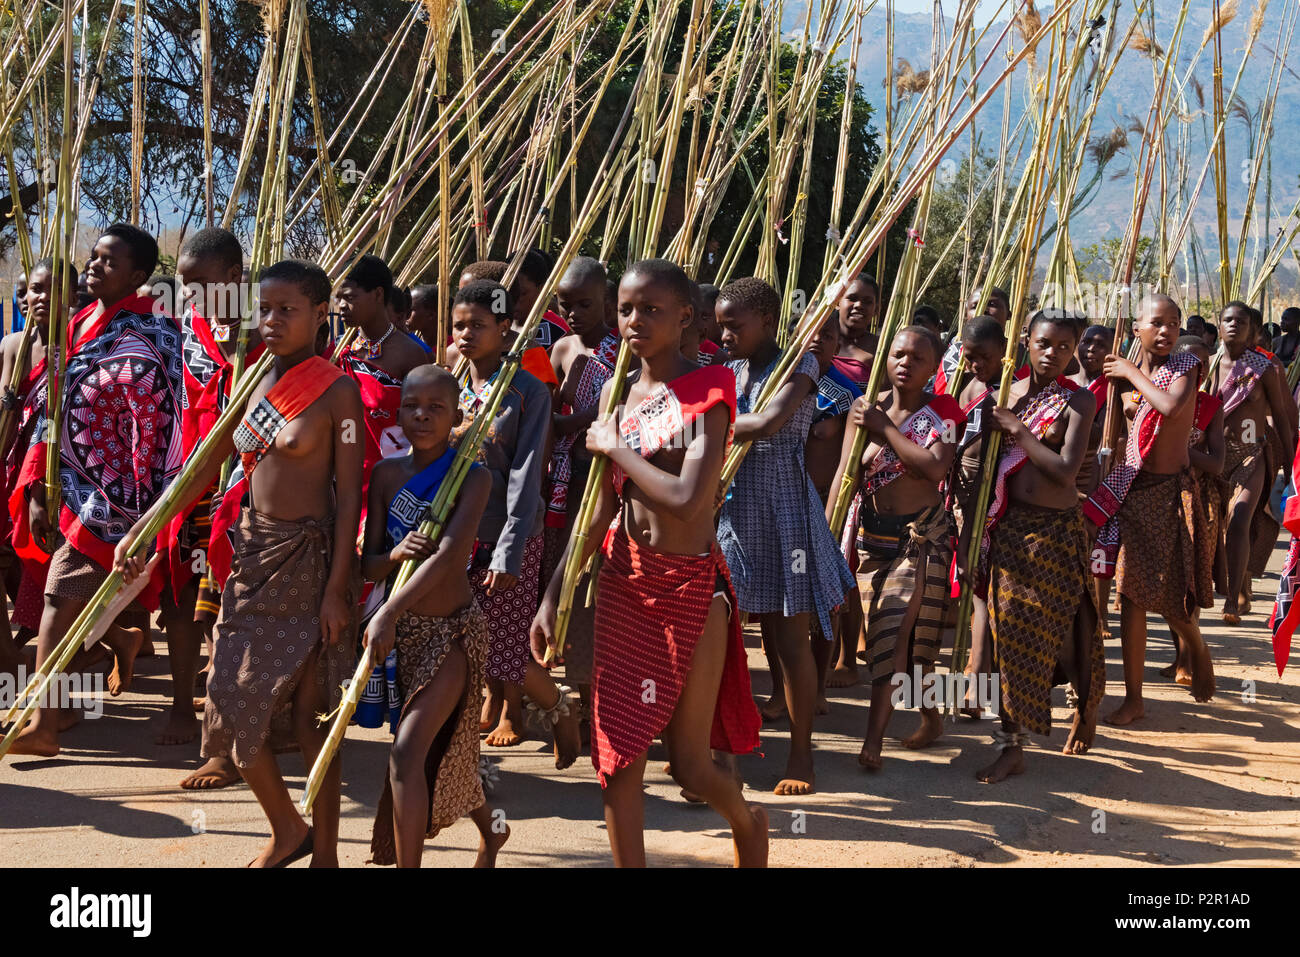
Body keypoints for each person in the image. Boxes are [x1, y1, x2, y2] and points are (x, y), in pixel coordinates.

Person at [119, 258, 362, 867]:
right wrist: (148, 526)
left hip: (310, 566)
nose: (273, 321)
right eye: (266, 309)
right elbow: (206, 461)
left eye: (289, 310)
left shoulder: (338, 392)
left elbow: (352, 500)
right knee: (229, 700)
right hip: (250, 558)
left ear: (319, 314)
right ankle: (288, 828)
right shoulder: (250, 379)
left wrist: (339, 591)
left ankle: (325, 853)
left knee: (312, 720)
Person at [532, 258, 766, 867]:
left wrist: (615, 447)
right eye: (627, 310)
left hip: (690, 587)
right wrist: (556, 591)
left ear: (685, 316)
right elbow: (598, 508)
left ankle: (748, 818)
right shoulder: (619, 393)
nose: (636, 321)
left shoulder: (708, 392)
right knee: (616, 755)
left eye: (653, 310)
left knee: (689, 764)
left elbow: (691, 500)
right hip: (623, 580)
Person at [9, 224, 184, 758]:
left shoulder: (158, 334)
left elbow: (166, 427)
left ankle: (43, 721)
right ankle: (55, 710)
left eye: (109, 261)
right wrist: (38, 485)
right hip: (72, 492)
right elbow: (50, 411)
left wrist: (148, 513)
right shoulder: (79, 325)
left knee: (59, 603)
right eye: (94, 257)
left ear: (137, 275)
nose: (93, 266)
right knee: (68, 605)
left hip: (123, 499)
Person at [360, 365, 508, 867]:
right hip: (401, 634)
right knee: (443, 748)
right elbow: (371, 563)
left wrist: (388, 613)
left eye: (436, 408)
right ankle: (493, 828)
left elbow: (450, 555)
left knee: (407, 753)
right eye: (411, 406)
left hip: (452, 634)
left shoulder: (474, 477)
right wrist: (396, 555)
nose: (421, 416)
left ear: (456, 416)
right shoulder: (384, 474)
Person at [715, 277, 855, 796]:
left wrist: (704, 420)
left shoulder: (800, 366)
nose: (725, 334)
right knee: (725, 636)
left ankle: (802, 754)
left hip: (784, 512)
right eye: (721, 324)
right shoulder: (729, 371)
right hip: (733, 511)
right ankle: (718, 749)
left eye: (735, 325)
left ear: (769, 321)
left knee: (789, 637)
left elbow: (771, 423)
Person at [451, 280, 579, 764]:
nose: (466, 335)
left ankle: (559, 708)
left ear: (506, 330)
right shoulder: (452, 382)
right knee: (462, 642)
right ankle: (460, 747)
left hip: (507, 534)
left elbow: (527, 475)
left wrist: (508, 549)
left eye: (479, 326)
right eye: (459, 325)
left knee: (505, 650)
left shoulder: (525, 390)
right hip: (455, 532)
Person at [152, 227, 265, 754]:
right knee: (183, 593)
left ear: (234, 277)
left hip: (251, 480)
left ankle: (230, 732)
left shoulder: (270, 320)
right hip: (195, 475)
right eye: (184, 283)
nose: (191, 293)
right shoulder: (192, 323)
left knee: (232, 607)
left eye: (201, 282)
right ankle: (182, 700)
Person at [829, 325, 963, 770]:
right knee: (910, 649)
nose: (905, 364)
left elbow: (934, 468)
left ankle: (872, 743)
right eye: (898, 355)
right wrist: (829, 533)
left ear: (933, 367)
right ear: (886, 358)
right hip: (874, 539)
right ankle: (931, 714)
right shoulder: (864, 408)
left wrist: (884, 429)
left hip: (921, 539)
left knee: (889, 636)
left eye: (918, 359)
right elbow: (845, 476)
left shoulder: (942, 410)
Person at [977, 311, 1100, 782]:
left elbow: (1066, 470)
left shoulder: (1079, 401)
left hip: (1056, 533)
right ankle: (1012, 745)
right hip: (1008, 529)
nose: (1053, 353)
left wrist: (1019, 430)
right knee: (1007, 639)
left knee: (1067, 637)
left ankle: (1084, 707)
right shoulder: (1005, 395)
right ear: (1026, 342)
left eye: (1064, 347)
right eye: (1044, 343)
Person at [1084, 295, 1215, 726]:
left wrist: (1130, 373)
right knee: (1130, 596)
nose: (1165, 331)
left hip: (1170, 495)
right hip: (1133, 493)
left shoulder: (1185, 368)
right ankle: (1134, 697)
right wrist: (1122, 389)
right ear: (1136, 326)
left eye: (1173, 324)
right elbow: (1124, 434)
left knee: (1172, 598)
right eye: (1156, 323)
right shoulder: (1127, 376)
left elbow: (1172, 407)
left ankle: (1195, 646)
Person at [543, 258, 620, 714]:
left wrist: (566, 423)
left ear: (607, 301)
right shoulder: (563, 349)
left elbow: (613, 407)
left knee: (593, 585)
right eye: (565, 304)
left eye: (584, 304)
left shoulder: (625, 351)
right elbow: (551, 407)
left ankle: (596, 694)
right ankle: (570, 689)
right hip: (564, 481)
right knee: (562, 575)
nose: (573, 313)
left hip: (602, 479)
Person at [0, 259, 72, 674]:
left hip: (50, 468)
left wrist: (37, 486)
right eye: (28, 291)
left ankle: (42, 663)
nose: (34, 300)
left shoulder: (74, 345)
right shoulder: (14, 344)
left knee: (50, 566)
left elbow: (54, 418)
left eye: (45, 290)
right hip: (14, 463)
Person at [1209, 301, 1296, 623]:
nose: (1234, 325)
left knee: (1240, 518)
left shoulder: (1265, 368)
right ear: (1219, 326)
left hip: (1251, 454)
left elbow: (1284, 420)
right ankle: (1238, 585)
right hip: (1213, 459)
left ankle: (1231, 601)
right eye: (1228, 320)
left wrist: (1289, 466)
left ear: (1252, 330)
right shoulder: (1205, 367)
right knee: (1216, 526)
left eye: (1241, 321)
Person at [334, 255, 430, 523]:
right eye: (339, 298)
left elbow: (424, 423)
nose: (342, 306)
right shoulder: (338, 350)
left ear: (377, 294)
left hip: (391, 478)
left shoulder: (410, 354)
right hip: (342, 474)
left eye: (350, 297)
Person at [949, 316, 1006, 719]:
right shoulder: (961, 386)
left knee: (981, 590)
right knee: (968, 592)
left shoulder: (1009, 393)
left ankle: (975, 676)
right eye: (969, 358)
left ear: (1003, 350)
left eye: (984, 357)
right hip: (956, 495)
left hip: (992, 500)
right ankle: (967, 677)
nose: (975, 365)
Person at [1161, 336, 1225, 685]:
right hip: (1160, 498)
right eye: (1186, 363)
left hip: (1199, 502)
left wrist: (1180, 453)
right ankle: (1180, 655)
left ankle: (1189, 657)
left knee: (1189, 582)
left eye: (1200, 364)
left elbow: (1216, 463)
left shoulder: (1211, 406)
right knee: (1166, 582)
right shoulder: (1156, 398)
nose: (1194, 371)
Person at [805, 314, 863, 694]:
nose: (817, 341)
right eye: (810, 333)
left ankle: (833, 668)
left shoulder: (846, 393)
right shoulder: (781, 383)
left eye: (827, 335)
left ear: (837, 345)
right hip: (782, 499)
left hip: (828, 504)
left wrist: (833, 512)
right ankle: (794, 683)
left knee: (834, 588)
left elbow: (849, 460)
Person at [933, 286, 1012, 396]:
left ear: (1009, 314)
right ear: (966, 315)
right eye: (975, 306)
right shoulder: (956, 353)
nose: (983, 309)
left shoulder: (1021, 354)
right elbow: (942, 399)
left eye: (992, 304)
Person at [831, 274, 880, 391]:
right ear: (838, 302)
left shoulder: (881, 349)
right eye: (852, 298)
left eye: (867, 302)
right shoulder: (817, 339)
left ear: (876, 309)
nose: (859, 305)